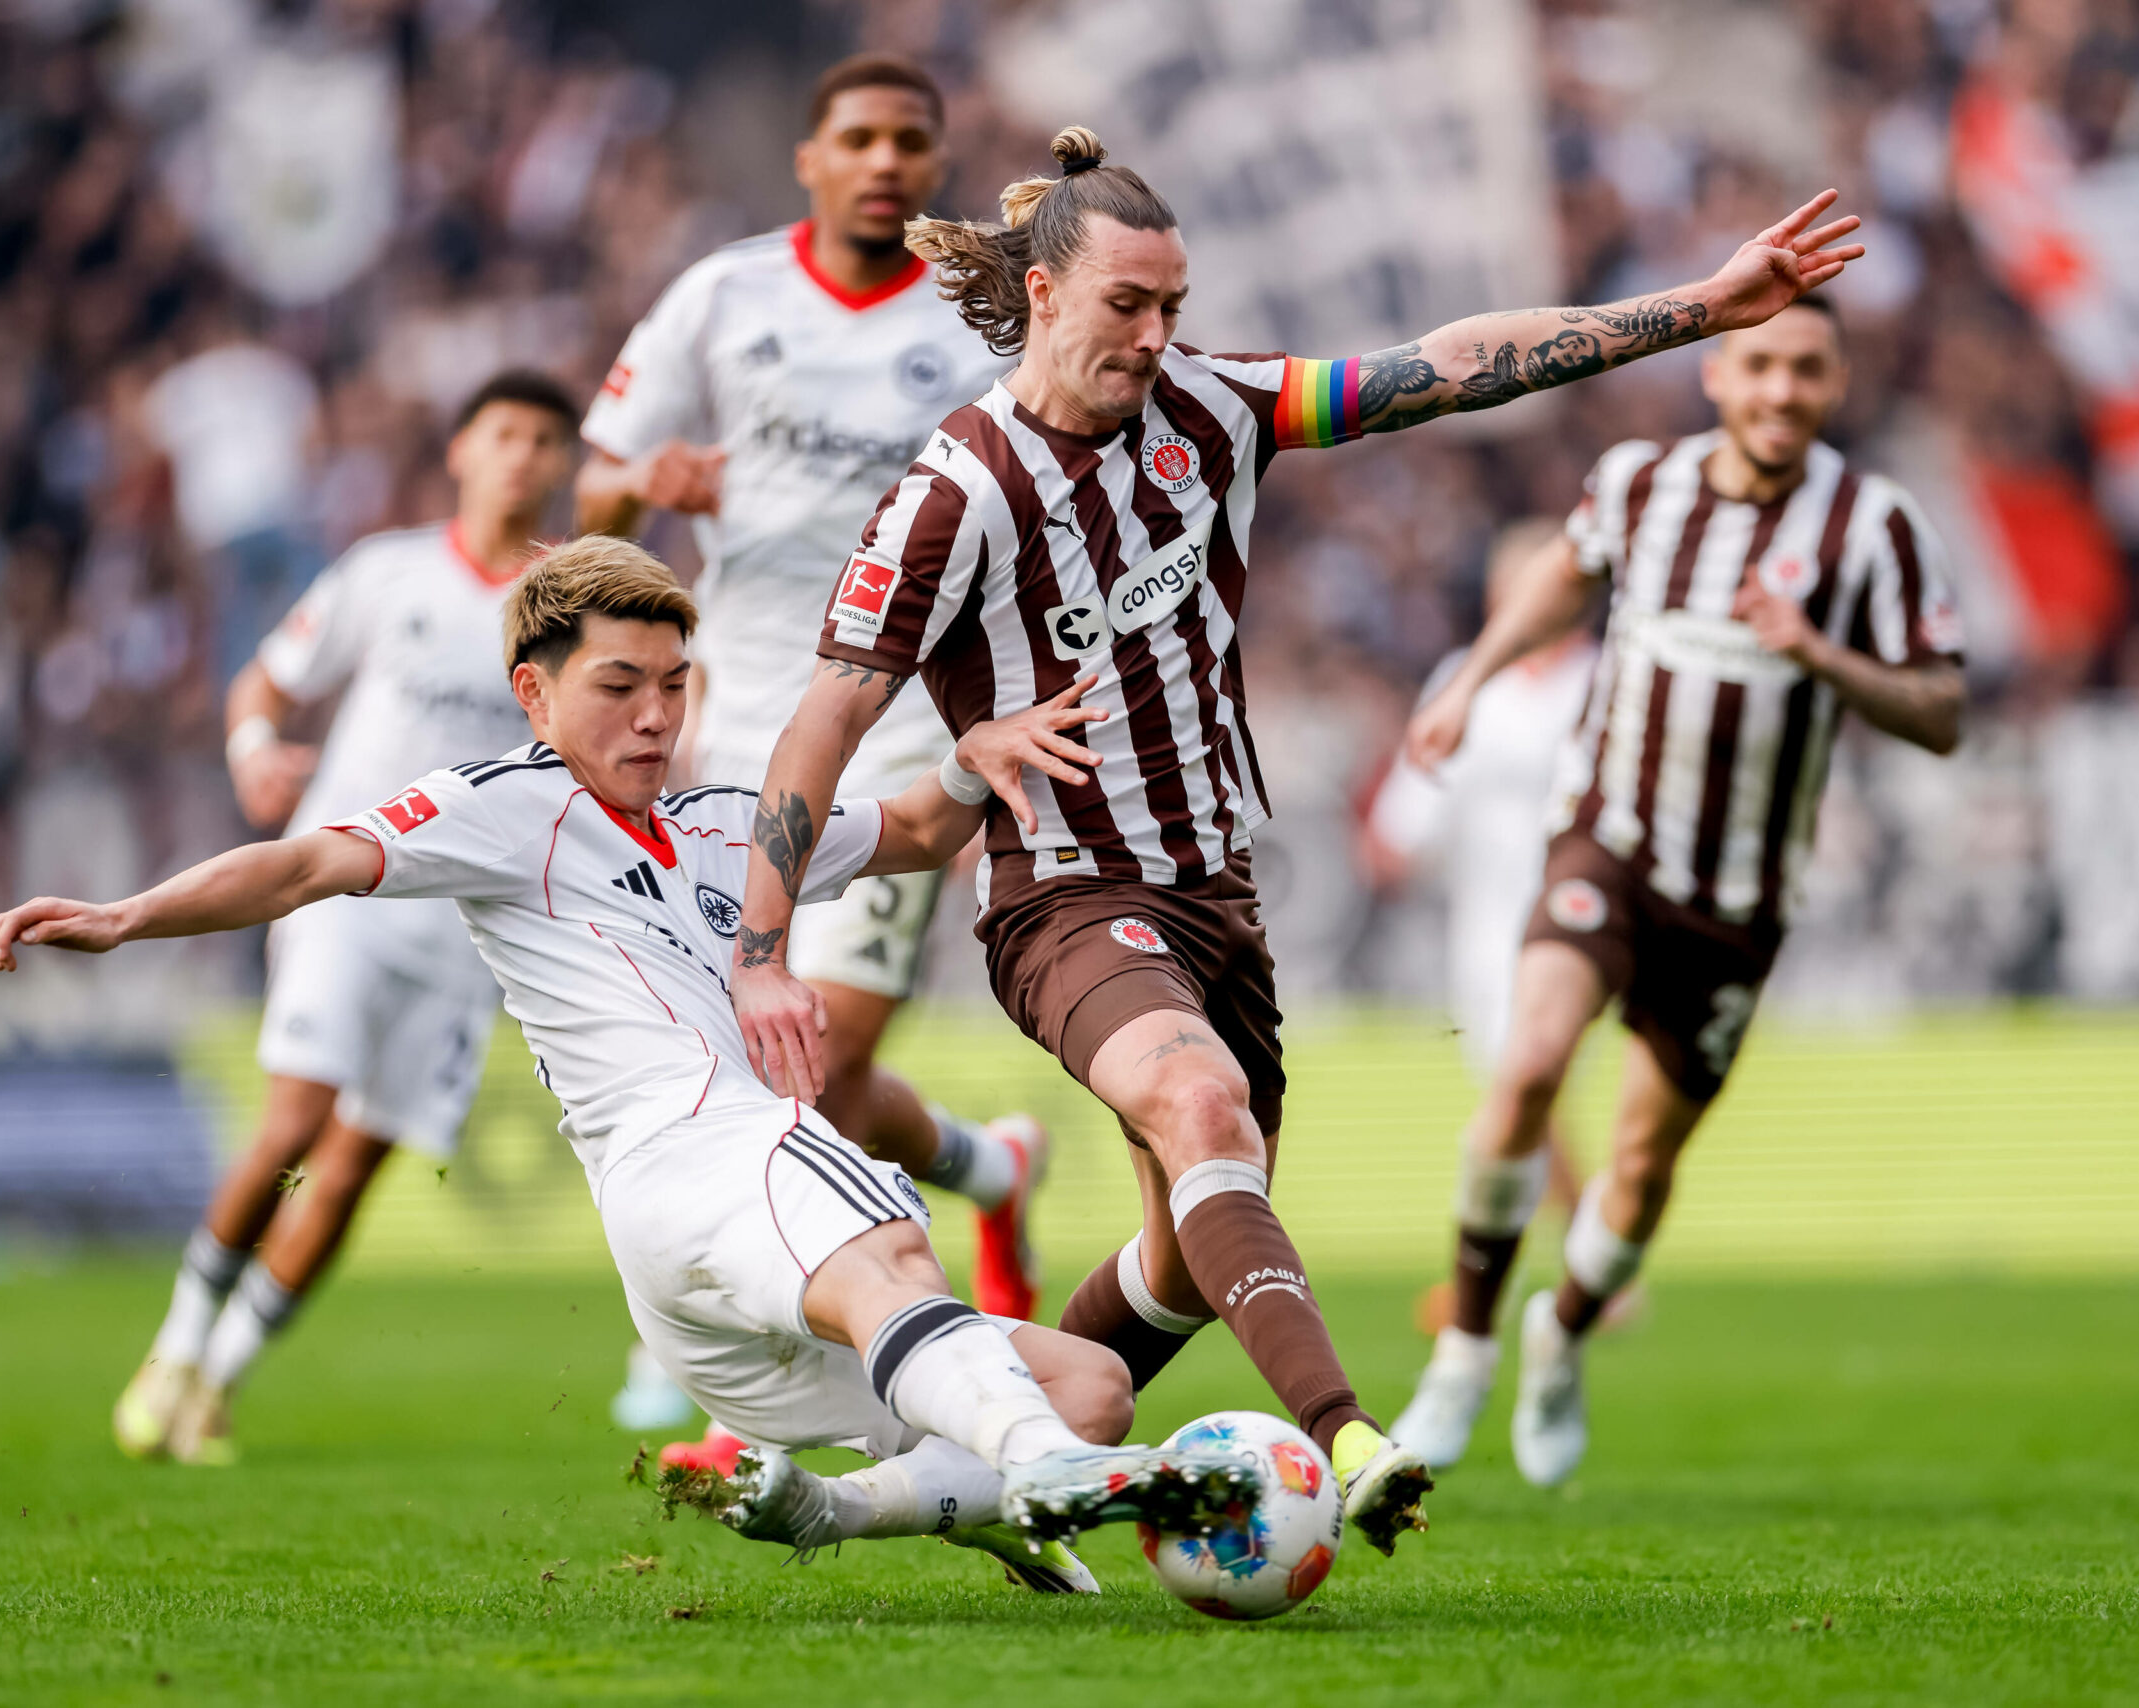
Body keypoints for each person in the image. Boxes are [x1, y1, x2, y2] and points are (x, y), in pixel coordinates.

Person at [725, 123, 1866, 1554]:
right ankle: (1350, 1437)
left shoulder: (1215, 410)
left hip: (1218, 897)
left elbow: (1447, 365)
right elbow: (821, 724)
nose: (1156, 336)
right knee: (1202, 1109)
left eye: (1172, 305)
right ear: (1043, 293)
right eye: (1127, 305)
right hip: (1063, 894)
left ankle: (945, 1466)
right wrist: (761, 954)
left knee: (1180, 1266)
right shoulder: (954, 491)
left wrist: (1702, 306)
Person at [0, 539, 1257, 1592]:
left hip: (709, 1278)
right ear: (533, 694)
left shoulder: (725, 827)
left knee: (1093, 1384)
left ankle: (840, 1507)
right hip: (699, 1160)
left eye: (672, 683)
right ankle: (1045, 1467)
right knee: (888, 1239)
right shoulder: (505, 807)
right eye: (617, 685)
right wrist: (127, 914)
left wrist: (971, 753)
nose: (655, 714)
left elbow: (920, 831)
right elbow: (306, 863)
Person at [1393, 294, 1965, 1486]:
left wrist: (1816, 652)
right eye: (1759, 366)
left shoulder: (1873, 526)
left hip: (1737, 897)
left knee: (1642, 1168)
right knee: (1527, 1067)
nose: (1779, 391)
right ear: (1717, 375)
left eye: (1805, 370)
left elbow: (1941, 710)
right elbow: (1560, 579)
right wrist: (1472, 680)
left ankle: (1561, 1331)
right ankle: (1462, 1352)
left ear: (1835, 382)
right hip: (1606, 842)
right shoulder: (1640, 484)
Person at [576, 53, 1039, 1456]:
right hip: (735, 728)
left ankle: (757, 1399)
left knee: (809, 1056)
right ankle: (984, 1165)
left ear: (937, 162)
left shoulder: (981, 322)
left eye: (911, 140)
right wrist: (644, 485)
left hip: (906, 726)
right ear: (811, 158)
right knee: (764, 1059)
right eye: (860, 138)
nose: (885, 161)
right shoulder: (721, 297)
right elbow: (593, 495)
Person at [109, 369, 580, 1466]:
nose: (522, 456)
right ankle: (174, 1350)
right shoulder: (387, 572)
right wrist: (252, 750)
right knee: (293, 1124)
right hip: (340, 890)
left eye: (545, 441)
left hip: (463, 930)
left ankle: (218, 1380)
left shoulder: (570, 605)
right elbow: (263, 683)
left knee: (355, 1165)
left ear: (564, 464)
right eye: (504, 433)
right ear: (461, 450)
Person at [1360, 520, 1602, 1339]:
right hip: (1486, 930)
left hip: (1581, 920)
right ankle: (1589, 1264)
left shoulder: (1605, 682)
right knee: (1522, 1094)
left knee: (1523, 1087)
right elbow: (1419, 799)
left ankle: (1528, 1278)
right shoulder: (1467, 680)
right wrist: (1394, 838)